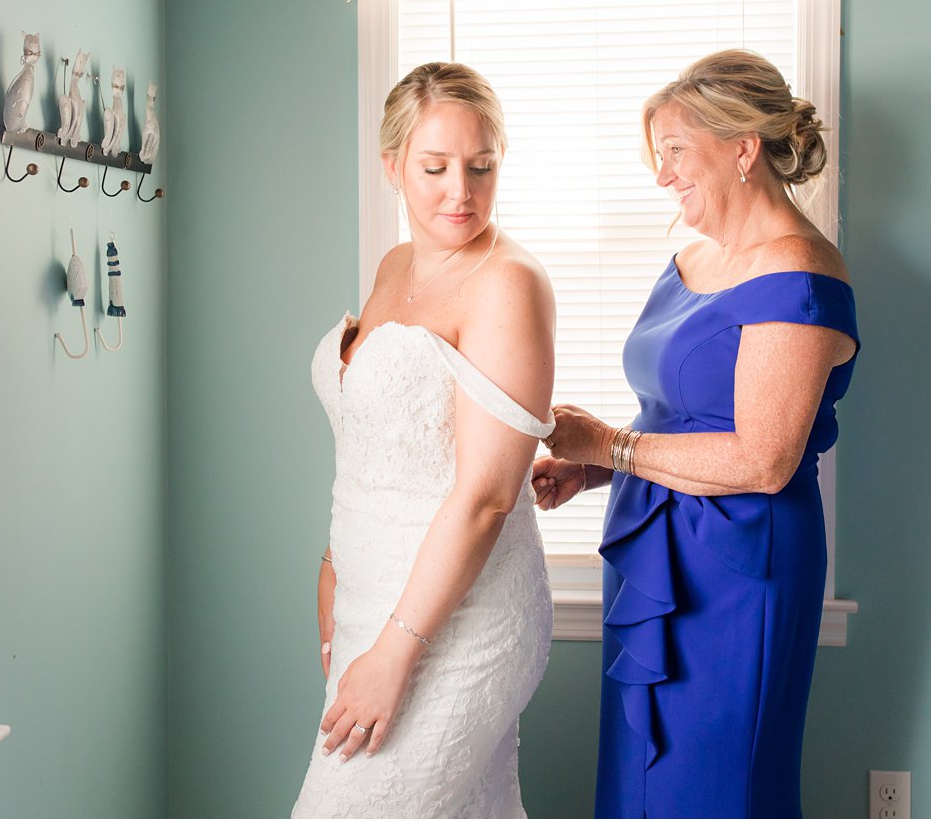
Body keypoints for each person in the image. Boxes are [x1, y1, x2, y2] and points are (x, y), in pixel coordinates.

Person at [533, 49, 859, 819]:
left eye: (676, 151)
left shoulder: (800, 275)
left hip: (739, 567)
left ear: (742, 149)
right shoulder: (691, 261)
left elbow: (762, 457)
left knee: (720, 783)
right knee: (642, 779)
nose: (663, 175)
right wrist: (600, 471)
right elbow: (677, 417)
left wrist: (609, 445)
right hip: (655, 550)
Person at [292, 62, 557, 818]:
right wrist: (333, 576)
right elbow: (371, 446)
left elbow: (484, 495)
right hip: (363, 604)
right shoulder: (396, 265)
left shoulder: (508, 282)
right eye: (435, 167)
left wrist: (396, 650)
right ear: (392, 166)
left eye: (481, 166)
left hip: (459, 620)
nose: (460, 192)